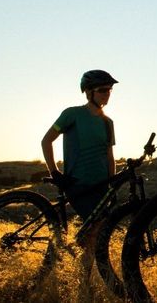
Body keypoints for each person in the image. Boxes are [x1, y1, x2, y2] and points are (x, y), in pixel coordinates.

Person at [40, 69, 118, 299]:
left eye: (110, 90)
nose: (107, 94)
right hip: (78, 183)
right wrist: (54, 172)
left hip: (100, 186)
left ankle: (80, 283)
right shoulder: (72, 114)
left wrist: (111, 183)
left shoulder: (108, 122)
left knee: (95, 235)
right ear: (89, 92)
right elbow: (46, 140)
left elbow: (109, 156)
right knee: (95, 232)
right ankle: (82, 287)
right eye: (102, 90)